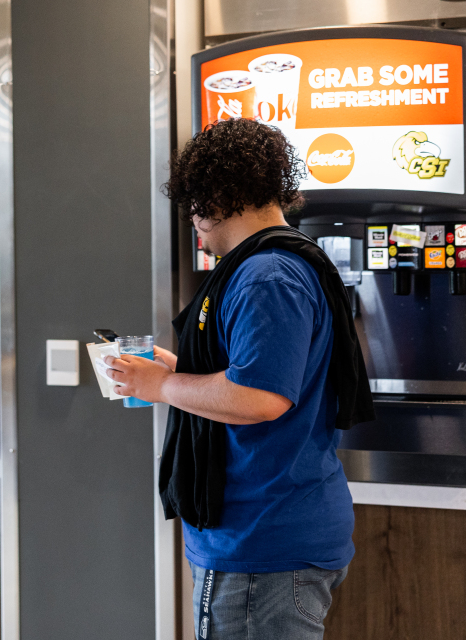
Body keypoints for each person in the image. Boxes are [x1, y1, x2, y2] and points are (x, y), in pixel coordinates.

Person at [104, 118, 374, 640]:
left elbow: (260, 396)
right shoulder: (279, 264)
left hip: (262, 541)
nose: (193, 220)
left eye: (194, 203)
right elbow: (251, 374)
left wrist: (157, 387)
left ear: (220, 194)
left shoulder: (265, 274)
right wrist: (174, 370)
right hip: (276, 530)